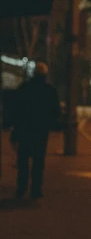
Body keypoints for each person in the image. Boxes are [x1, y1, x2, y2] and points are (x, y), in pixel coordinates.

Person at [11, 62, 61, 200]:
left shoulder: (25, 88)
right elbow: (55, 111)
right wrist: (53, 124)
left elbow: (16, 108)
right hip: (41, 130)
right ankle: (36, 189)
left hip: (25, 129)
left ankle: (21, 188)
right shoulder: (49, 90)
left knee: (23, 160)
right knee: (39, 161)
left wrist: (15, 128)